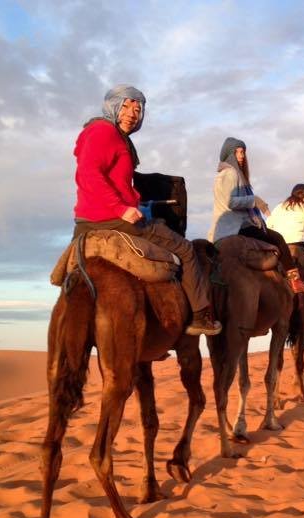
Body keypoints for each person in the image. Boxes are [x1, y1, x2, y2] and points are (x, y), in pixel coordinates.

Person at [73, 85, 220, 335]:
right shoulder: (103, 131)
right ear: (113, 106)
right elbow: (88, 174)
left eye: (138, 109)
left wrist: (134, 201)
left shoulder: (110, 135)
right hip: (112, 219)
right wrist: (121, 208)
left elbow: (114, 179)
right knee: (184, 249)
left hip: (90, 219)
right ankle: (200, 315)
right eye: (127, 106)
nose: (133, 113)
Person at [208, 137, 304, 293]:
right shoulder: (231, 173)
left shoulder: (223, 174)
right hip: (237, 226)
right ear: (231, 153)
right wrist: (253, 200)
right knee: (277, 239)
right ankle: (295, 281)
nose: (242, 156)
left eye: (243, 152)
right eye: (239, 152)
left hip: (226, 227)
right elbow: (230, 202)